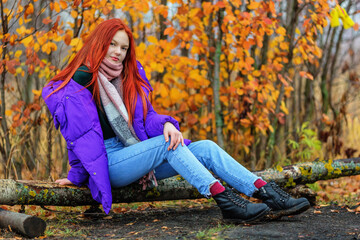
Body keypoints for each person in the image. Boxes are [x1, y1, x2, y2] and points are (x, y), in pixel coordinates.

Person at [42, 19, 310, 223]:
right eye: (113, 44)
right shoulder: (80, 80)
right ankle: (225, 202)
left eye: (124, 48)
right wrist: (76, 176)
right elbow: (77, 136)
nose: (118, 52)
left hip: (136, 153)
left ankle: (266, 193)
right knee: (165, 145)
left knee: (205, 147)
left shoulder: (128, 77)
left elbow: (146, 118)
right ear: (99, 41)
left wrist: (167, 124)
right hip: (109, 162)